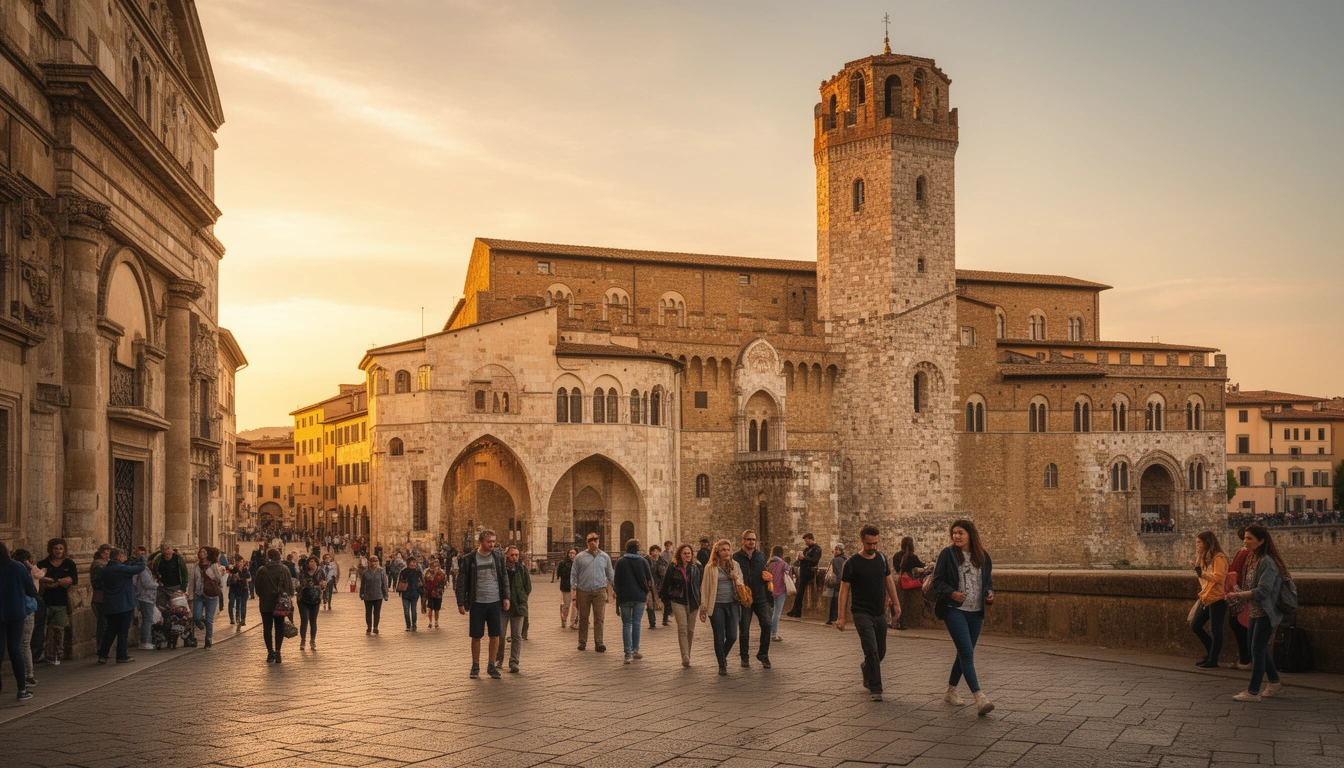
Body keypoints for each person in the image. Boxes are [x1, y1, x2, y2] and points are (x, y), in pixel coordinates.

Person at [931, 519, 996, 716]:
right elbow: (937, 581)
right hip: (955, 610)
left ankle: (950, 691)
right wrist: (952, 593)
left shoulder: (983, 556)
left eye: (960, 533)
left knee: (963, 653)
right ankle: (979, 697)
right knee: (967, 653)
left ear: (970, 535)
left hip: (976, 612)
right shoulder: (948, 554)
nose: (956, 536)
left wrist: (989, 593)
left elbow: (987, 581)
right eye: (954, 533)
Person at [835, 525, 900, 701]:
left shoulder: (882, 559)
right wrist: (841, 617)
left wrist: (896, 604)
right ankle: (876, 688)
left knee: (881, 651)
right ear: (862, 540)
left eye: (875, 543)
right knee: (871, 649)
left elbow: (889, 581)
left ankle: (867, 668)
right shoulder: (852, 563)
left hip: (879, 612)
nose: (873, 547)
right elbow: (843, 591)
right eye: (869, 543)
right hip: (861, 613)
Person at [1228, 525, 1289, 702]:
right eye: (1245, 538)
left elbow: (1263, 590)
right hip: (1254, 611)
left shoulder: (1267, 561)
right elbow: (1251, 586)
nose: (1245, 541)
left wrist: (1238, 595)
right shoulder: (1252, 559)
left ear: (1261, 541)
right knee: (1257, 649)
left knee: (1257, 650)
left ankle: (1253, 692)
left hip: (1266, 612)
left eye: (1249, 538)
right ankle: (1275, 682)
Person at [454, 529, 510, 679]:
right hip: (477, 602)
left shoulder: (497, 556)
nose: (492, 544)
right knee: (476, 636)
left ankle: (491, 665)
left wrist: (506, 597)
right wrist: (461, 602)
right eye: (489, 542)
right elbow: (461, 582)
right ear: (481, 542)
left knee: (495, 635)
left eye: (494, 541)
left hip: (495, 601)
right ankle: (475, 665)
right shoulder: (469, 559)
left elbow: (504, 576)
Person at [699, 538, 746, 676]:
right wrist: (704, 607)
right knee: (719, 636)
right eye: (723, 550)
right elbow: (705, 588)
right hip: (717, 604)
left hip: (732, 603)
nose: (726, 552)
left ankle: (722, 656)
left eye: (728, 549)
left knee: (732, 635)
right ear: (717, 552)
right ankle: (721, 664)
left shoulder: (735, 565)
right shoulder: (710, 568)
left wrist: (737, 582)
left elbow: (741, 581)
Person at [0, 542, 38, 701]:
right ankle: (21, 689)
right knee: (16, 650)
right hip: (16, 613)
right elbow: (31, 590)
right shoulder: (18, 567)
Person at [95, 549, 145, 665]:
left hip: (110, 605)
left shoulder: (106, 569)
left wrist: (130, 560)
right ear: (119, 556)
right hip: (124, 605)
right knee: (123, 631)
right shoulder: (121, 569)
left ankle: (103, 654)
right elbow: (140, 568)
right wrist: (142, 557)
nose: (125, 559)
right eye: (124, 556)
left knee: (110, 630)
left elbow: (127, 565)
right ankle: (122, 655)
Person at [733, 530, 772, 669]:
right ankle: (744, 656)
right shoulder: (735, 558)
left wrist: (767, 578)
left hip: (760, 596)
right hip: (744, 598)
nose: (752, 542)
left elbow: (763, 573)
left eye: (754, 539)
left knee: (767, 624)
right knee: (744, 628)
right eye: (749, 539)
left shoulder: (761, 557)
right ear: (743, 541)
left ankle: (763, 654)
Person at [1190, 531, 1229, 669]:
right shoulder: (1204, 558)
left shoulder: (1219, 558)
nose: (1197, 545)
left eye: (1199, 542)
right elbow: (1204, 581)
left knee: (1215, 630)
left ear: (1207, 542)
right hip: (1206, 597)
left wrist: (1202, 573)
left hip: (1218, 598)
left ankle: (1213, 659)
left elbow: (1219, 578)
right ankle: (1210, 654)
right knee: (1195, 625)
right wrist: (1199, 571)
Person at [659, 543, 702, 667]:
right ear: (680, 554)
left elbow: (700, 584)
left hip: (693, 601)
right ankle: (685, 657)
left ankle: (687, 652)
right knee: (683, 628)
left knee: (690, 630)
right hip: (678, 601)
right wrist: (666, 601)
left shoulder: (696, 567)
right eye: (685, 553)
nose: (687, 555)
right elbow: (666, 583)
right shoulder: (673, 567)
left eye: (689, 553)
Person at [36, 538, 78, 666]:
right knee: (42, 629)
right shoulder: (43, 563)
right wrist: (48, 584)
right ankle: (40, 653)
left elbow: (74, 580)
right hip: (45, 601)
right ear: (51, 550)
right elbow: (37, 580)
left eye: (60, 548)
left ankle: (53, 654)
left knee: (57, 629)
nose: (58, 551)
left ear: (64, 549)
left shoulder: (69, 563)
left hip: (61, 602)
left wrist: (60, 582)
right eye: (55, 549)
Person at [572, 532, 615, 653]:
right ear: (587, 542)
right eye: (590, 540)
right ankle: (582, 641)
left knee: (599, 618)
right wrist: (574, 591)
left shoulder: (605, 557)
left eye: (595, 540)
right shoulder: (580, 557)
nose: (593, 542)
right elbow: (574, 575)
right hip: (583, 591)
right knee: (583, 618)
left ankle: (599, 642)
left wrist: (615, 589)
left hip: (599, 591)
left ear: (598, 542)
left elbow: (610, 574)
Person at [614, 539, 653, 664]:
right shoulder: (643, 561)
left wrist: (618, 595)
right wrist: (647, 592)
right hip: (639, 597)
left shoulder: (620, 562)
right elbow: (649, 579)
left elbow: (616, 581)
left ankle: (627, 654)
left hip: (625, 597)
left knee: (626, 624)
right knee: (636, 623)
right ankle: (635, 649)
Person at [253, 548, 294, 664]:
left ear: (268, 557)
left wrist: (264, 595)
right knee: (279, 627)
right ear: (279, 556)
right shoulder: (284, 569)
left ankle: (270, 653)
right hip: (280, 604)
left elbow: (257, 589)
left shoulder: (262, 570)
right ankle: (278, 652)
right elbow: (290, 588)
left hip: (265, 603)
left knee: (267, 628)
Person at [495, 546, 531, 673]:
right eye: (512, 555)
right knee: (501, 635)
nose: (515, 558)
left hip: (518, 606)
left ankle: (514, 662)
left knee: (516, 636)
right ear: (506, 556)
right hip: (502, 606)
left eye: (517, 555)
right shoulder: (500, 569)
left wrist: (520, 597)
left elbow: (528, 587)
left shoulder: (522, 570)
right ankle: (498, 659)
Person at [11, 549, 40, 686]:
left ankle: (27, 674)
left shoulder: (10, 571)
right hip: (26, 610)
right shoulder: (27, 572)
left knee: (18, 645)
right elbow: (34, 591)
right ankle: (28, 674)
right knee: (24, 645)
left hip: (15, 611)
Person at [187, 547, 225, 649]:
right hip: (198, 595)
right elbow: (192, 582)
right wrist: (190, 596)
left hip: (211, 596)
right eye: (201, 552)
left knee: (209, 619)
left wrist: (216, 572)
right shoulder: (195, 566)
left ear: (208, 554)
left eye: (204, 552)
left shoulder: (213, 565)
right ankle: (201, 624)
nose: (202, 553)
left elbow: (219, 578)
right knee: (197, 617)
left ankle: (208, 640)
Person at [1226, 527, 1252, 670]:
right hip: (1240, 593)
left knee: (1238, 625)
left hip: (1241, 595)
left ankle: (1245, 659)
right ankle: (1245, 658)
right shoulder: (1246, 553)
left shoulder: (1245, 553)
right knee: (1240, 625)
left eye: (1249, 538)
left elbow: (1236, 571)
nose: (1245, 541)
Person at [894, 537, 925, 631]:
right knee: (903, 602)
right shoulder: (912, 556)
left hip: (899, 580)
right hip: (908, 581)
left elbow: (896, 568)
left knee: (899, 601)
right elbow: (921, 565)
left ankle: (896, 621)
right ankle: (900, 623)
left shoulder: (896, 555)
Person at [788, 533, 822, 618]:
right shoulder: (806, 549)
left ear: (810, 539)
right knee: (799, 592)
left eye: (806, 540)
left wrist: (804, 558)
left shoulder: (817, 549)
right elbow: (802, 560)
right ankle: (795, 610)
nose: (805, 542)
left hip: (809, 572)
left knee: (800, 592)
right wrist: (800, 559)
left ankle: (796, 611)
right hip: (803, 572)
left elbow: (815, 560)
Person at [131, 546, 158, 649]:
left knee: (147, 619)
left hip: (145, 596)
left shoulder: (142, 568)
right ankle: (144, 641)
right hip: (146, 597)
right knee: (148, 619)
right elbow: (147, 583)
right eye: (141, 555)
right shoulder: (142, 569)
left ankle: (147, 640)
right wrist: (158, 585)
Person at [296, 557, 324, 650]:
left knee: (313, 621)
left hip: (315, 600)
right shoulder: (302, 573)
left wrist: (320, 586)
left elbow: (323, 586)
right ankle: (303, 640)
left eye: (314, 562)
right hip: (303, 600)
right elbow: (297, 586)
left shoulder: (320, 573)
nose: (312, 564)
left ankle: (312, 640)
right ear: (307, 564)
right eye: (310, 562)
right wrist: (303, 585)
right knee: (304, 620)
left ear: (317, 563)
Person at [151, 543, 187, 611]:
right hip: (162, 588)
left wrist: (183, 589)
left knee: (177, 608)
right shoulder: (158, 559)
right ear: (163, 552)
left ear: (172, 550)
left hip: (175, 587)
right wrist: (158, 581)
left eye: (169, 551)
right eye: (166, 551)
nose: (168, 553)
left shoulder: (178, 559)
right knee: (161, 608)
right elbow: (154, 571)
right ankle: (163, 620)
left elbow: (184, 574)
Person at [89, 544, 111, 653]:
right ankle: (101, 647)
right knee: (103, 623)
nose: (108, 556)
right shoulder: (99, 565)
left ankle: (103, 647)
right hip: (100, 598)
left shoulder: (104, 564)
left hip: (103, 597)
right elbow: (99, 582)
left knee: (104, 623)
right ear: (102, 553)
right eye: (106, 553)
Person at [766, 546, 790, 641]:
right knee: (777, 612)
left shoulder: (768, 564)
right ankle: (774, 633)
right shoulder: (784, 564)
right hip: (781, 590)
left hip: (769, 590)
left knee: (770, 612)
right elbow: (789, 576)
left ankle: (768, 632)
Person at [360, 555, 388, 634]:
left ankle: (375, 627)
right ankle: (369, 627)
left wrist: (385, 594)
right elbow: (363, 585)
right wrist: (362, 594)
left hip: (378, 595)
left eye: (375, 561)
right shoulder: (366, 573)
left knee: (377, 612)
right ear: (369, 562)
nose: (374, 563)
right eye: (372, 561)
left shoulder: (381, 572)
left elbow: (384, 584)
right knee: (368, 612)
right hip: (368, 596)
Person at [397, 555, 423, 631]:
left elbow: (421, 582)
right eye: (412, 562)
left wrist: (422, 592)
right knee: (406, 610)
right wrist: (400, 590)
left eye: (415, 562)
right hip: (405, 593)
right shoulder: (403, 571)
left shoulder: (418, 572)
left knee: (414, 609)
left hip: (414, 593)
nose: (414, 564)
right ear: (408, 563)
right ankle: (408, 625)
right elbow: (400, 581)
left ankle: (414, 624)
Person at [646, 544, 667, 631]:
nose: (656, 553)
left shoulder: (661, 561)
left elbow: (663, 573)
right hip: (649, 585)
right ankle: (652, 622)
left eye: (657, 551)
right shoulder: (646, 560)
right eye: (654, 551)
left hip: (658, 584)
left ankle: (665, 618)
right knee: (650, 604)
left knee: (661, 602)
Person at [553, 548, 576, 629]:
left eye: (573, 553)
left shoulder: (578, 563)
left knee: (575, 606)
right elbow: (559, 574)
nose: (572, 555)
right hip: (566, 587)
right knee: (566, 605)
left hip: (576, 587)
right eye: (570, 553)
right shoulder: (563, 563)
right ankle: (564, 619)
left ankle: (573, 622)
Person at [423, 557, 448, 629]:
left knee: (437, 608)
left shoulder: (442, 573)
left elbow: (446, 582)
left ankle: (436, 621)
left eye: (436, 566)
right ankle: (430, 622)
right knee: (430, 608)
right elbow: (424, 581)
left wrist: (442, 589)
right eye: (433, 566)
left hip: (438, 593)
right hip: (430, 592)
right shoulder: (427, 572)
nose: (434, 568)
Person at [826, 544, 846, 625]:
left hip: (837, 584)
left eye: (835, 550)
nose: (834, 552)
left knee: (835, 601)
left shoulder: (836, 560)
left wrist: (837, 582)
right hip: (843, 583)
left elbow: (837, 572)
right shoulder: (845, 559)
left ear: (838, 550)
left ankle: (832, 618)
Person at [227, 561, 250, 631]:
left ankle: (239, 619)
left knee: (239, 606)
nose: (240, 565)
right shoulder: (233, 572)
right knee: (231, 604)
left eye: (241, 564)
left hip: (242, 590)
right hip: (234, 590)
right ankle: (232, 618)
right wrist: (233, 580)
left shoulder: (245, 571)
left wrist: (240, 579)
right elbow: (228, 583)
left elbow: (249, 578)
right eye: (238, 564)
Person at [659, 540, 675, 626]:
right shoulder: (662, 555)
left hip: (671, 579)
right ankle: (665, 618)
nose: (668, 547)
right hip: (665, 579)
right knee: (667, 601)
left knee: (669, 601)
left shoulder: (673, 554)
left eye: (669, 545)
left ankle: (667, 616)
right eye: (667, 546)